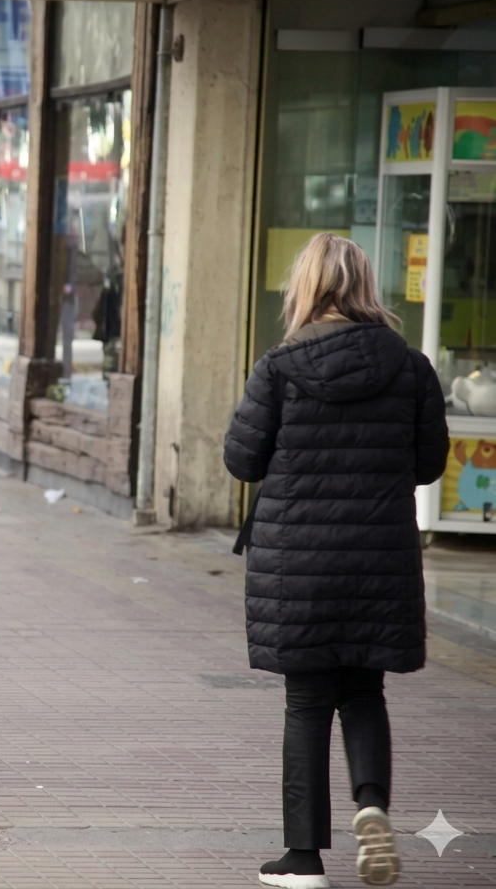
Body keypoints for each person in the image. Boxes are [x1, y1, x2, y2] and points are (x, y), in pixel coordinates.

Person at [223, 233, 449, 889]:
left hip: (300, 565)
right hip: (379, 558)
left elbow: (242, 460)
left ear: (307, 288)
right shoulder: (411, 368)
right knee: (364, 692)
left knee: (307, 702)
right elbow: (430, 465)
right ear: (364, 288)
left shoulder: (280, 366)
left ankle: (302, 858)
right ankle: (371, 807)